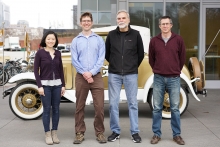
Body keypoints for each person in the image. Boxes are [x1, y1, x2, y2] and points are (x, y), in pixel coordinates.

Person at [105, 10, 144, 143]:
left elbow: (140, 54)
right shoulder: (111, 35)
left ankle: (135, 132)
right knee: (113, 104)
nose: (121, 20)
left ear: (128, 20)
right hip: (114, 74)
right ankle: (115, 131)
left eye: (123, 18)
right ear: (117, 20)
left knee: (133, 103)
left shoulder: (136, 34)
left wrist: (132, 66)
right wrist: (116, 64)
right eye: (119, 18)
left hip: (131, 74)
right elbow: (107, 54)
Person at [148, 16, 186, 145]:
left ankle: (177, 135)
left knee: (175, 108)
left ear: (171, 25)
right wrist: (157, 69)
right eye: (162, 24)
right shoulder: (154, 41)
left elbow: (182, 58)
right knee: (157, 108)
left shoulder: (178, 40)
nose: (165, 26)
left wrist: (175, 70)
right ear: (159, 26)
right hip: (158, 78)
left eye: (167, 24)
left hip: (174, 78)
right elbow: (151, 59)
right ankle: (156, 134)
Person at [70, 12, 106, 144]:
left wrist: (91, 73)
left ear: (92, 22)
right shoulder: (75, 41)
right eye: (84, 20)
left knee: (100, 107)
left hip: (96, 77)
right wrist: (85, 73)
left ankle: (100, 132)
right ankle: (79, 133)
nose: (86, 22)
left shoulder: (99, 40)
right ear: (80, 23)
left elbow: (101, 59)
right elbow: (74, 60)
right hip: (81, 77)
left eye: (88, 20)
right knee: (79, 107)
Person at [34, 30, 65, 145]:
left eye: (53, 39)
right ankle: (47, 134)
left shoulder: (58, 53)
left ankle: (54, 133)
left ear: (55, 40)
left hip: (57, 85)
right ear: (45, 40)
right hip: (45, 86)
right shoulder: (40, 53)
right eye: (48, 39)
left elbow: (61, 70)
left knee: (56, 109)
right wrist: (39, 86)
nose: (51, 41)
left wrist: (63, 85)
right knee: (47, 110)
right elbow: (36, 71)